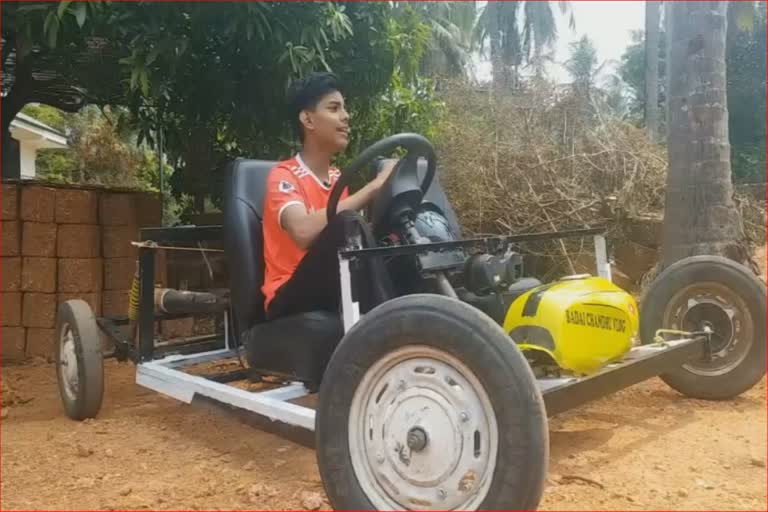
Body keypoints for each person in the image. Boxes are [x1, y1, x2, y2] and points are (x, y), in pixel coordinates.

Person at [261, 72, 395, 320]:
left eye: (344, 109)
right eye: (334, 108)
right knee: (347, 222)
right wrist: (374, 187)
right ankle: (388, 327)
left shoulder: (337, 179)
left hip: (329, 285)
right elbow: (302, 232)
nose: (346, 116)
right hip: (288, 294)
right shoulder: (283, 176)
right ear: (308, 119)